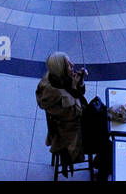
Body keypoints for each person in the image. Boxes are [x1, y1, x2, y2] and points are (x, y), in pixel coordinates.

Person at [36, 52, 112, 180]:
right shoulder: (57, 96)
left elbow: (80, 95)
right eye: (69, 65)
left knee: (105, 122)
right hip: (70, 135)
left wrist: (79, 82)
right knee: (107, 142)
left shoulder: (57, 77)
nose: (73, 65)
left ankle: (100, 161)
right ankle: (102, 169)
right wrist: (73, 88)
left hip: (72, 123)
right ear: (61, 70)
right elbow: (75, 112)